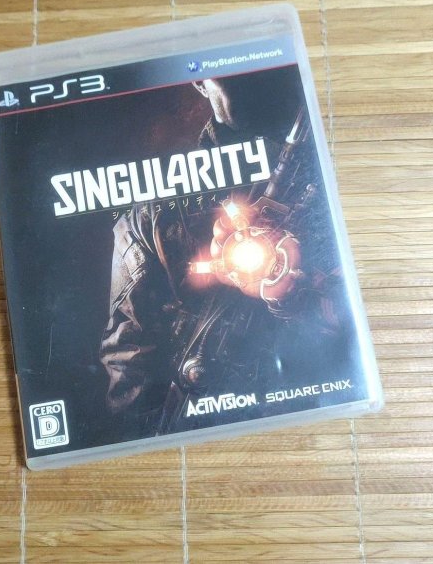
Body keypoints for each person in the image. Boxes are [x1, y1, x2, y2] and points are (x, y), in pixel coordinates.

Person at [99, 72, 348, 438]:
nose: (255, 81)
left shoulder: (336, 170)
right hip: (194, 414)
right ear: (199, 81)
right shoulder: (155, 212)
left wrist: (299, 291)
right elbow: (128, 362)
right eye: (233, 74)